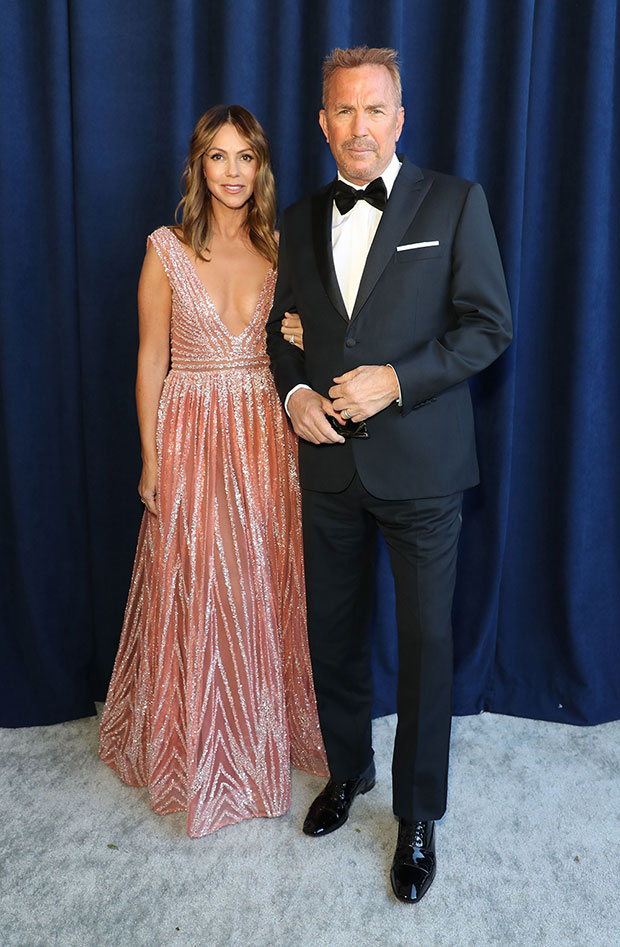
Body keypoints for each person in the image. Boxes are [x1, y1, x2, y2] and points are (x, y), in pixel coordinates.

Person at [266, 47, 512, 902]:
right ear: (323, 122)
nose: (359, 125)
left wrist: (397, 381)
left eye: (375, 109)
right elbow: (281, 331)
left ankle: (416, 814)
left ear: (399, 118)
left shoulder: (455, 201)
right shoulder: (299, 217)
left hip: (423, 466)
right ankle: (348, 770)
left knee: (426, 644)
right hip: (329, 465)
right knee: (332, 633)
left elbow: (489, 326)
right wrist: (294, 391)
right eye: (344, 109)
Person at [99, 105, 327, 838]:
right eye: (218, 156)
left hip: (264, 432)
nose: (232, 172)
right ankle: (197, 745)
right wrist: (150, 456)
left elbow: (306, 343)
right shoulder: (166, 248)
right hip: (192, 431)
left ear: (261, 167)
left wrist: (305, 332)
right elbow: (150, 359)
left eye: (245, 157)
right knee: (198, 583)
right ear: (199, 166)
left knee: (259, 581)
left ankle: (258, 736)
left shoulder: (282, 248)